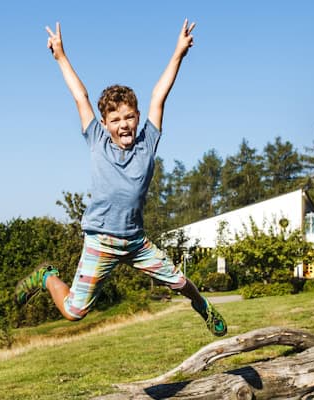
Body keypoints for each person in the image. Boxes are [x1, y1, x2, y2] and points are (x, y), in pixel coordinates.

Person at [14, 20, 228, 337]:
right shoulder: (97, 140)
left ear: (138, 117)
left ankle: (204, 308)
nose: (124, 124)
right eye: (115, 119)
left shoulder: (148, 143)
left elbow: (159, 95)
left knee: (181, 282)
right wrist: (60, 56)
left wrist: (179, 53)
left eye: (129, 116)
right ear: (105, 123)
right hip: (101, 240)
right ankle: (47, 276)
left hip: (136, 242)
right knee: (74, 312)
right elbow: (80, 96)